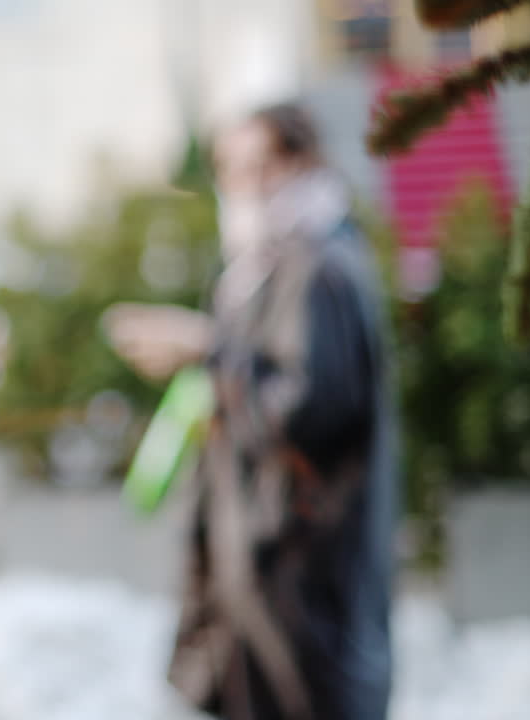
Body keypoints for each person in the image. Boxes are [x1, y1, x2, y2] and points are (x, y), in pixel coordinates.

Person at [105, 104, 398, 719]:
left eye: (259, 165)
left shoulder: (320, 268)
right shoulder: (263, 265)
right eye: (231, 168)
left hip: (303, 575)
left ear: (304, 163)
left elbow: (308, 411)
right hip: (262, 576)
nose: (242, 184)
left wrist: (207, 348)